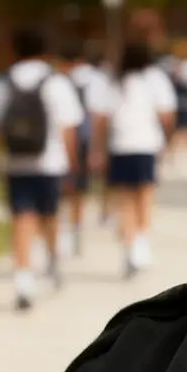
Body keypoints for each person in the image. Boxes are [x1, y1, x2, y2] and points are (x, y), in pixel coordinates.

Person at [0, 25, 83, 312]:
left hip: (15, 161)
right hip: (50, 161)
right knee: (50, 215)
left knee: (21, 219)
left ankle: (23, 280)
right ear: (46, 51)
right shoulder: (56, 81)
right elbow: (68, 128)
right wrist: (73, 163)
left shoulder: (2, 81)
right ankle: (52, 261)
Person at [107, 40, 177, 277]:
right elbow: (167, 114)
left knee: (125, 200)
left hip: (120, 145)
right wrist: (168, 139)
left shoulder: (116, 80)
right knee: (145, 195)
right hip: (146, 144)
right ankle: (141, 243)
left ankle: (130, 247)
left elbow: (102, 117)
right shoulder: (154, 78)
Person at [61, 41, 114, 257]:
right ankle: (99, 214)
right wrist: (98, 147)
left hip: (65, 139)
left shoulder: (59, 79)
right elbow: (101, 115)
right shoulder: (97, 79)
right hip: (87, 138)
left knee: (71, 187)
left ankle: (72, 228)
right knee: (90, 184)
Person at [161, 41, 187, 158]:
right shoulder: (169, 65)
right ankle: (177, 145)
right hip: (176, 102)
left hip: (184, 102)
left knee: (185, 124)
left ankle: (182, 145)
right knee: (179, 125)